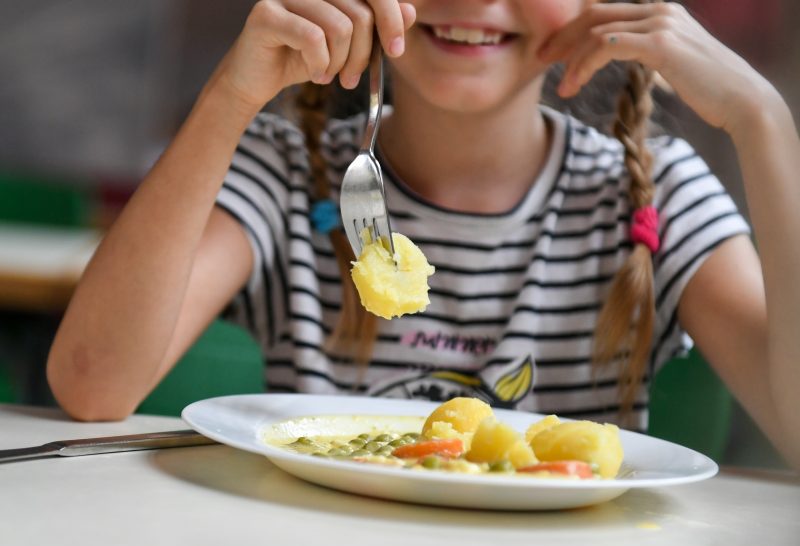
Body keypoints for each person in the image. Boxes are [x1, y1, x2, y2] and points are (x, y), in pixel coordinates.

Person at [46, 0, 800, 470]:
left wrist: (762, 123)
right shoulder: (285, 172)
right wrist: (231, 95)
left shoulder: (657, 189)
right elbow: (91, 385)